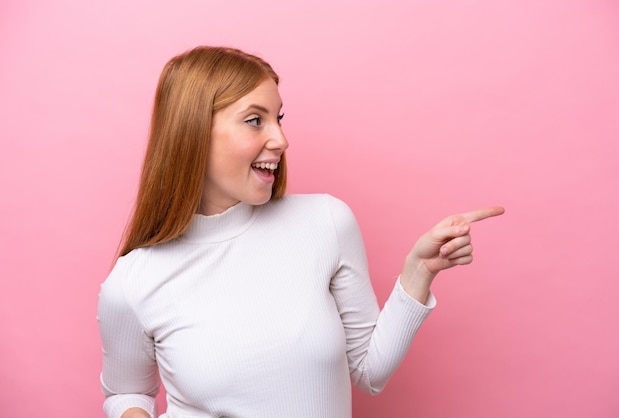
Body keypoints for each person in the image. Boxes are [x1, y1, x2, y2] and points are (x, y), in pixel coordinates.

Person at [97, 46, 504, 418]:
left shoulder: (325, 222)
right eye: (255, 120)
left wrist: (419, 271)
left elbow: (368, 372)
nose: (281, 139)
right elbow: (125, 394)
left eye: (279, 118)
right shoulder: (134, 280)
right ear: (193, 133)